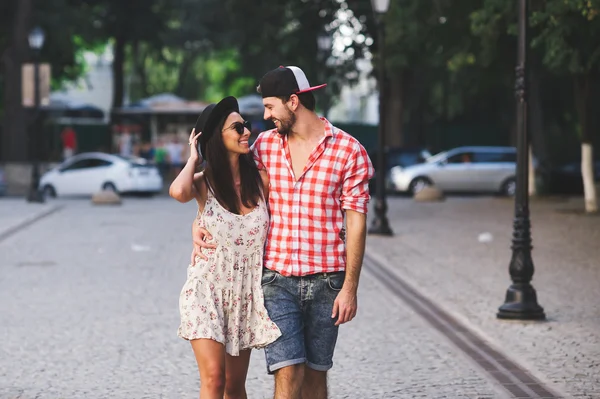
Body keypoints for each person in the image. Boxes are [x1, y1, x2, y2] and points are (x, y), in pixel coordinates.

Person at [192, 66, 374, 399]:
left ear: (293, 101)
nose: (265, 115)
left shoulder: (350, 151)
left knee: (317, 377)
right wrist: (200, 220)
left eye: (270, 106)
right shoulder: (264, 146)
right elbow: (228, 187)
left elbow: (356, 222)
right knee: (288, 371)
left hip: (328, 283)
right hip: (276, 280)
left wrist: (350, 288)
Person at [170, 96, 281, 399]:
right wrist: (194, 156)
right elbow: (178, 192)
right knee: (215, 380)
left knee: (235, 387)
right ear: (218, 137)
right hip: (206, 290)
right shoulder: (204, 184)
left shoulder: (260, 181)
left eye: (245, 126)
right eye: (237, 127)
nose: (246, 132)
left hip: (243, 296)